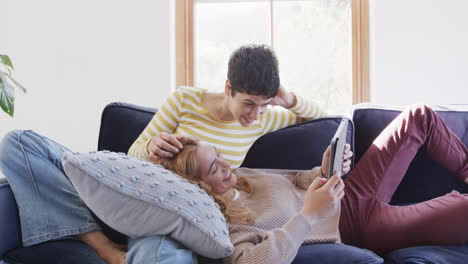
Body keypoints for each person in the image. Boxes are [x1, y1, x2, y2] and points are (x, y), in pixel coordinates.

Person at [0, 44, 329, 264]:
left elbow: (321, 117)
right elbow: (134, 153)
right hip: (133, 192)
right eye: (248, 104)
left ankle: (120, 252)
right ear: (229, 88)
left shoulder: (263, 117)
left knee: (157, 255)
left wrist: (286, 98)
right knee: (18, 144)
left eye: (262, 105)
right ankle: (101, 244)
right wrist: (153, 147)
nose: (254, 115)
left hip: (175, 221)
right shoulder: (186, 100)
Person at [155, 104, 468, 264]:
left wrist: (324, 168)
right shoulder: (226, 224)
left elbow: (297, 180)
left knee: (418, 116)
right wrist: (308, 216)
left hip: (350, 191)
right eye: (214, 167)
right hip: (356, 227)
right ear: (200, 187)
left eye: (220, 155)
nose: (226, 165)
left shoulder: (243, 175)